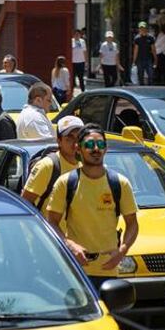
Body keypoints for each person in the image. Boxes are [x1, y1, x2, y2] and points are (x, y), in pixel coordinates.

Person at [46, 124, 138, 290]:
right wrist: (70, 246)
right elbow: (51, 222)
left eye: (101, 145)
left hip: (109, 272)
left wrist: (122, 251)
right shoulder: (66, 182)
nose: (96, 149)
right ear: (78, 149)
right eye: (89, 145)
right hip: (76, 270)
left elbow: (132, 223)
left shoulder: (120, 183)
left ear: (106, 149)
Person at [22, 115, 81, 211]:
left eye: (79, 138)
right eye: (69, 138)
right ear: (59, 141)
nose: (75, 144)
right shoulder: (47, 166)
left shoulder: (84, 167)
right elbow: (25, 204)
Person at [131, 21, 156, 86]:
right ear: (139, 29)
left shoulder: (151, 37)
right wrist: (134, 61)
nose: (142, 29)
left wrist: (156, 59)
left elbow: (153, 49)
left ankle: (150, 88)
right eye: (141, 28)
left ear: (146, 28)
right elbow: (135, 50)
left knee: (150, 75)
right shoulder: (137, 38)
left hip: (148, 59)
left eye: (144, 28)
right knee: (140, 75)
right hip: (140, 60)